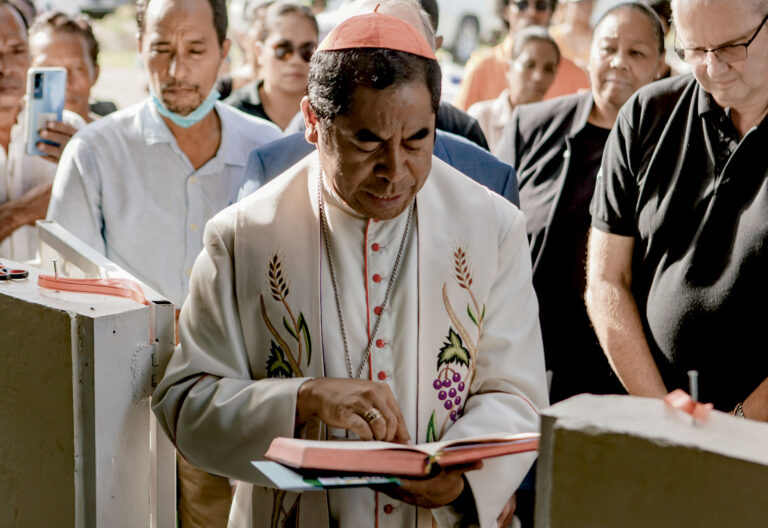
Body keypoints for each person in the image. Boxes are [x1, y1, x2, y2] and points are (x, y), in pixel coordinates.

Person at [152, 8, 548, 528]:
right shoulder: (242, 235)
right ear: (315, 123)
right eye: (367, 142)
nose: (395, 171)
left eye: (416, 140)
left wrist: (466, 477)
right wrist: (302, 398)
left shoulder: (492, 226)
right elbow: (186, 404)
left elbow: (515, 392)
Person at [46, 0, 281, 524]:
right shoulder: (93, 151)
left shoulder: (269, 149)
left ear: (226, 50)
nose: (176, 71)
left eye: (195, 50)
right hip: (119, 401)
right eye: (161, 51)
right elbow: (68, 286)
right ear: (139, 50)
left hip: (234, 401)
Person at [586, 0, 768, 419]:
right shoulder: (646, 116)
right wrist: (662, 415)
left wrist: (737, 426)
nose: (712, 68)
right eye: (693, 50)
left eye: (731, 47)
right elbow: (607, 279)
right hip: (652, 418)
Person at [496, 2, 665, 405]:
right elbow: (487, 231)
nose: (619, 63)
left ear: (660, 65)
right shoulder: (531, 127)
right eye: (608, 49)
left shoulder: (675, 147)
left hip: (623, 372)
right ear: (588, 56)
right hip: (525, 357)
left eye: (636, 53)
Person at [0, 0, 82, 261]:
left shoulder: (71, 131)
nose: (6, 67)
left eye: (17, 50)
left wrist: (87, 173)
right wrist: (22, 211)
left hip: (53, 299)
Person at [453, 0, 589, 112]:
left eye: (541, 6)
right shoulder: (481, 67)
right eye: (522, 5)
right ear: (506, 10)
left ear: (551, 12)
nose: (532, 13)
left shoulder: (574, 76)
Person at [225, 1, 318, 130]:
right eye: (282, 49)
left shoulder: (331, 112)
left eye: (307, 50)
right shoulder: (232, 115)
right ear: (259, 51)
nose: (296, 60)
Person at [468, 26, 560, 152]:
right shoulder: (481, 118)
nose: (539, 77)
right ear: (509, 68)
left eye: (548, 69)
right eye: (529, 65)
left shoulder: (554, 130)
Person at [28, 11, 112, 123]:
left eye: (76, 69)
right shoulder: (11, 137)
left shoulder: (114, 138)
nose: (64, 83)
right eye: (49, 71)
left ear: (95, 74)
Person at [549, 0, 593, 70]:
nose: (586, 6)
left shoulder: (599, 36)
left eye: (589, 2)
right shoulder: (552, 36)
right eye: (579, 3)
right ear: (565, 6)